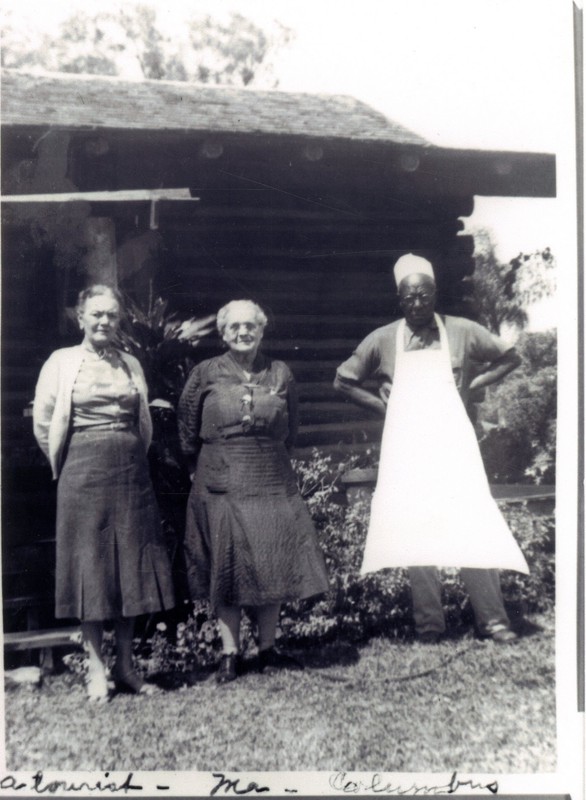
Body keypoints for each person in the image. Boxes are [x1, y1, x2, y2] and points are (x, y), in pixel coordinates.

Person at [334, 253, 529, 644]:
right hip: (408, 447)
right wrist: (382, 404)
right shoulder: (384, 338)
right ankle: (429, 624)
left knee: (471, 520)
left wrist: (472, 387)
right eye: (409, 298)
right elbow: (343, 380)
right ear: (399, 299)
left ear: (435, 294)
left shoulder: (461, 331)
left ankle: (491, 619)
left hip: (454, 444)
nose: (417, 305)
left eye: (424, 296)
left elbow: (510, 356)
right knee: (416, 525)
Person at [33, 284, 175, 701]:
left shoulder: (130, 362)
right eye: (96, 314)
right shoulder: (61, 362)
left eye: (111, 315)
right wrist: (68, 459)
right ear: (80, 318)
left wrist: (128, 450)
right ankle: (96, 670)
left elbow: (142, 420)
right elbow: (44, 421)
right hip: (82, 471)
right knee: (90, 567)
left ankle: (126, 667)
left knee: (130, 566)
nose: (104, 322)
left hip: (131, 472)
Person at [178, 299, 329, 683]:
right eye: (235, 327)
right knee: (225, 567)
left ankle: (267, 649)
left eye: (251, 326)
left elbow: (291, 428)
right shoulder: (205, 373)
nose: (243, 332)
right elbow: (185, 426)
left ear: (262, 330)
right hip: (220, 480)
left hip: (270, 478)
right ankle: (230, 654)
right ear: (223, 332)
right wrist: (202, 466)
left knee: (271, 557)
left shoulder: (280, 372)